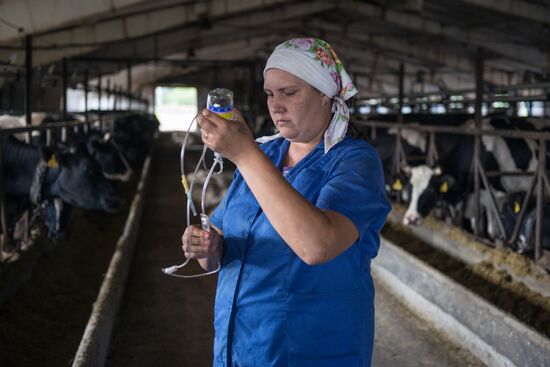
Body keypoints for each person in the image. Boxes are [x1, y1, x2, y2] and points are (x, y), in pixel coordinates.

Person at [182, 38, 391, 367]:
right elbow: (223, 248)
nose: (275, 106)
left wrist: (244, 153)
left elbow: (317, 246)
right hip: (242, 348)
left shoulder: (354, 162)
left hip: (311, 353)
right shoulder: (266, 154)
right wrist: (208, 249)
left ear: (325, 94)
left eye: (289, 93)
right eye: (269, 93)